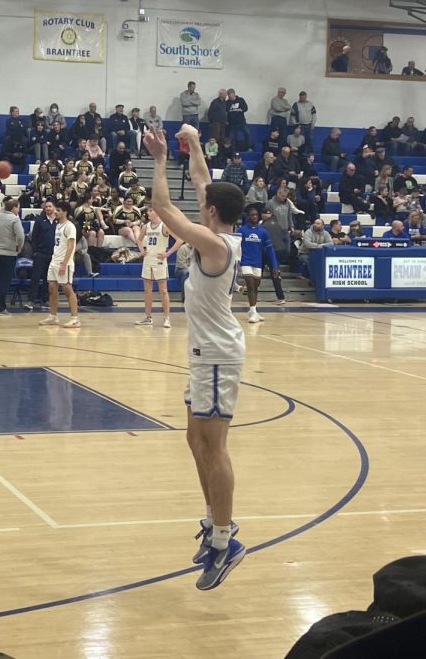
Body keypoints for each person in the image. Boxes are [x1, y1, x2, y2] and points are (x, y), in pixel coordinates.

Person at [144, 121, 247, 590]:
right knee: (194, 440)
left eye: (203, 203)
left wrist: (162, 160)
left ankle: (226, 542)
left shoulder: (214, 242)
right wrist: (196, 144)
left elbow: (164, 208)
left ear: (210, 213)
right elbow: (204, 180)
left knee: (215, 445)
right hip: (205, 353)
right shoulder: (221, 227)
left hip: (218, 354)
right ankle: (213, 520)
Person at [135, 206, 179, 328]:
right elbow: (138, 240)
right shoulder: (146, 226)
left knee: (163, 291)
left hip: (160, 261)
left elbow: (180, 239)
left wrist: (168, 253)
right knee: (147, 290)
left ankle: (167, 318)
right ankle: (148, 317)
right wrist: (141, 250)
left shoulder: (165, 226)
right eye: (148, 211)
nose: (148, 213)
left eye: (151, 210)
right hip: (148, 260)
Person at [39, 201, 80, 328]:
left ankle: (75, 318)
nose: (56, 212)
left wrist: (64, 263)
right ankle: (53, 316)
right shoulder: (58, 225)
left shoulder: (70, 226)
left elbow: (71, 246)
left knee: (67, 289)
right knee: (52, 288)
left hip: (64, 263)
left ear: (65, 212)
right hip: (54, 260)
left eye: (59, 210)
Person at [236, 207, 282, 323]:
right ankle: (252, 312)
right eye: (252, 215)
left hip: (258, 262)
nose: (254, 217)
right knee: (250, 286)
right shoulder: (241, 231)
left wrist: (274, 266)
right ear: (248, 216)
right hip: (245, 262)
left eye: (256, 215)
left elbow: (270, 250)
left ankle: (253, 311)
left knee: (255, 287)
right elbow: (235, 248)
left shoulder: (263, 232)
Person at [0, 198, 25, 317]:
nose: (18, 210)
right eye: (17, 207)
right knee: (5, 281)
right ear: (13, 208)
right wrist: (19, 248)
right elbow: (20, 236)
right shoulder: (14, 219)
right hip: (8, 254)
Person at [27, 200, 57, 310]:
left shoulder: (59, 221)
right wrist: (35, 251)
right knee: (35, 278)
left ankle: (46, 300)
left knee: (48, 279)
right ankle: (31, 300)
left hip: (53, 255)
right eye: (46, 207)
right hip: (40, 253)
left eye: (50, 206)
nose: (48, 208)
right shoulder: (39, 220)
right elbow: (34, 237)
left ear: (54, 208)